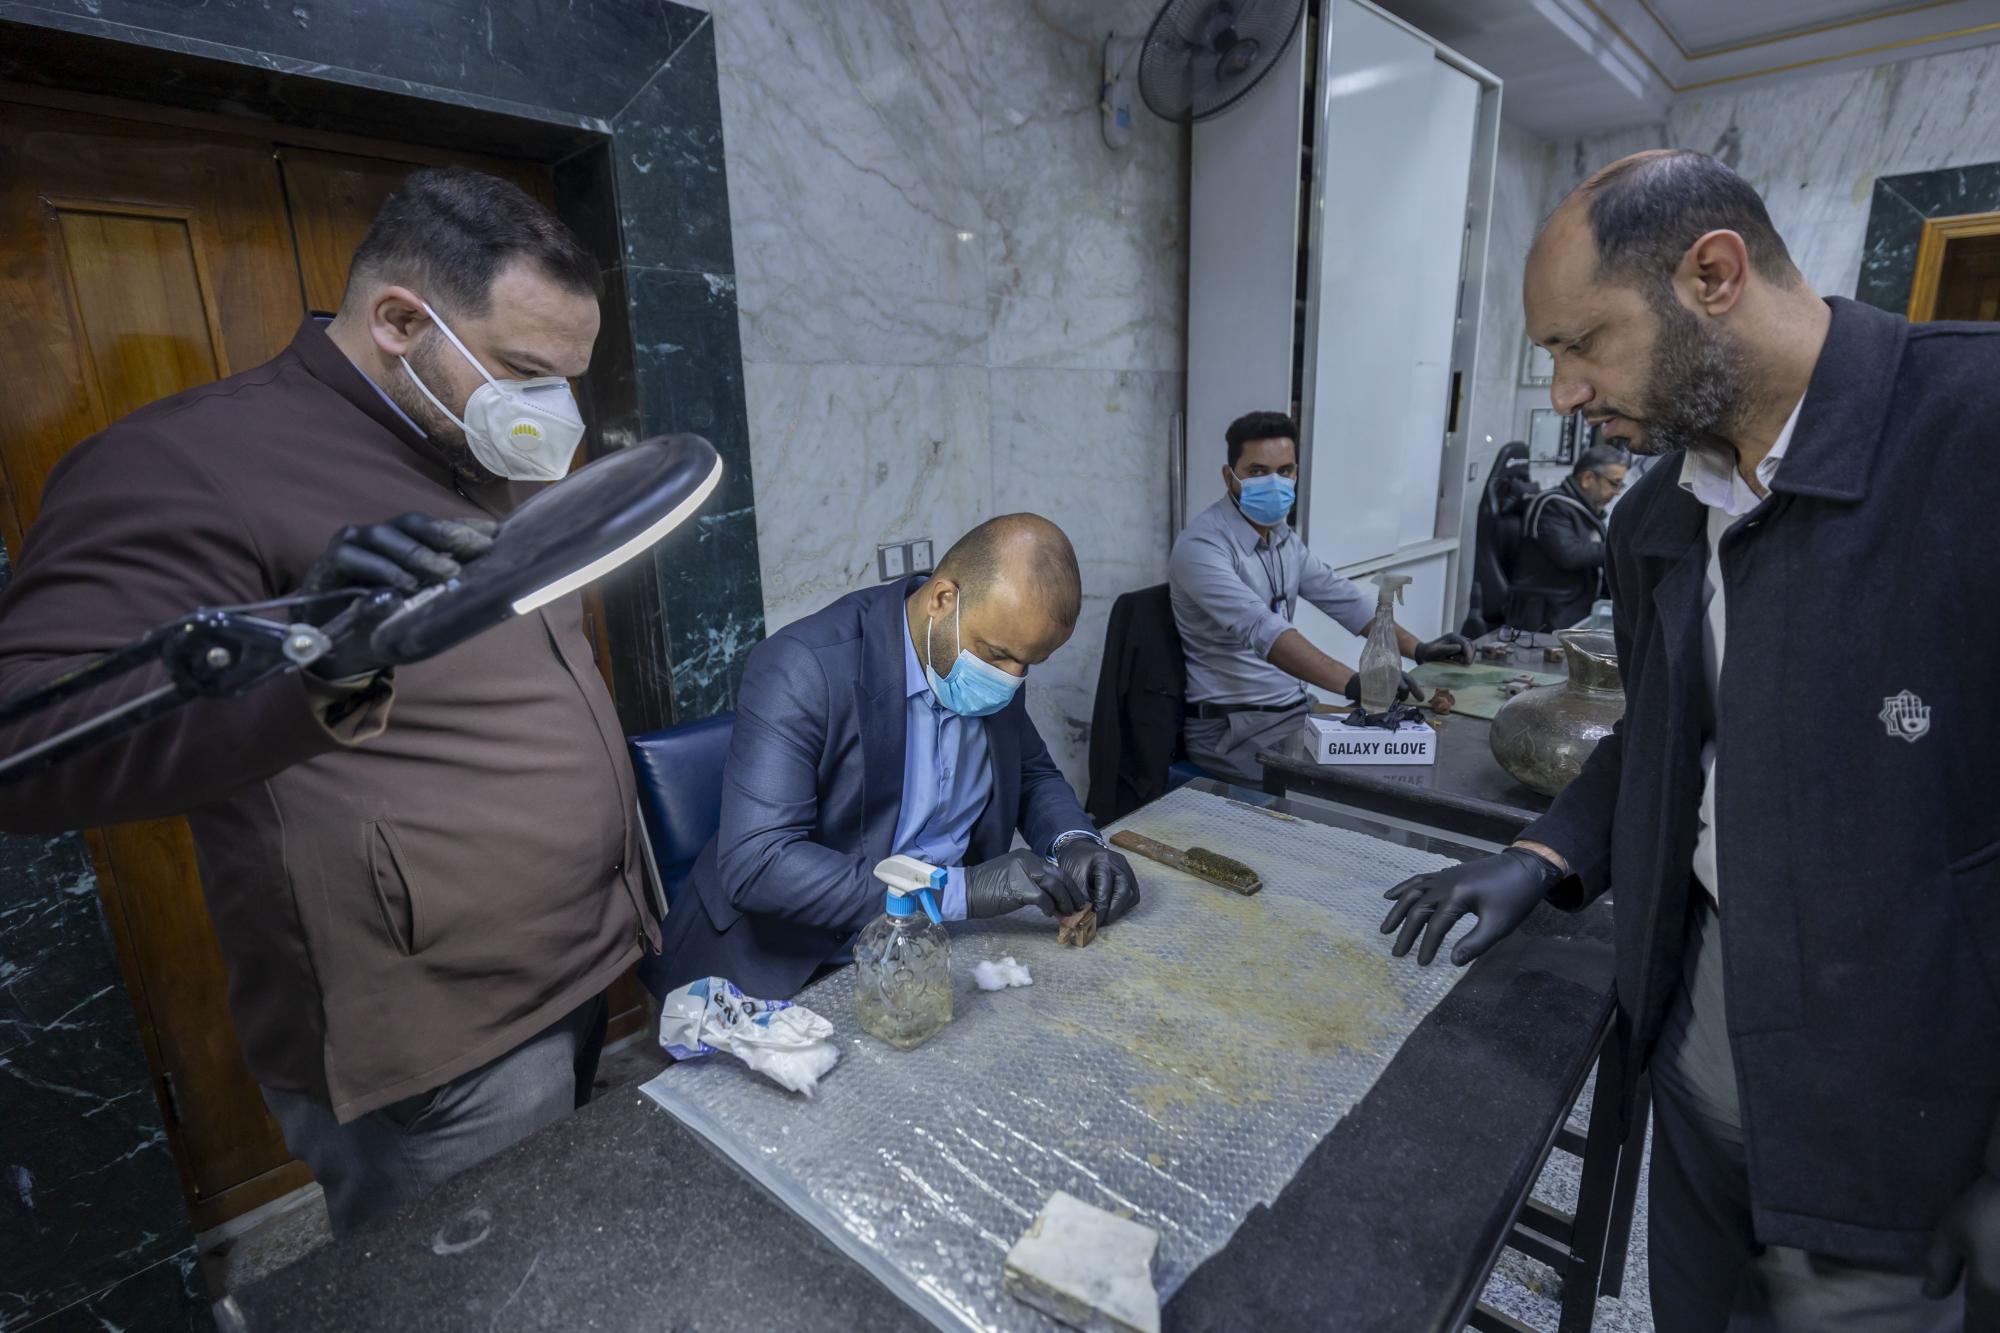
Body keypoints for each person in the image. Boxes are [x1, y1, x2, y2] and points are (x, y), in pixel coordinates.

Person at [1378, 149, 1996, 1330]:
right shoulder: (1659, 516)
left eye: (1580, 342)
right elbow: (1661, 734)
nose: (1564, 390)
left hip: (1903, 1122)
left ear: (1712, 274)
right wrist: (1544, 854)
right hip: (1698, 1047)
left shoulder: (1969, 431)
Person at [0, 168, 656, 1235]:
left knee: (556, 1249)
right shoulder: (187, 462)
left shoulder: (481, 446)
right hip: (435, 1030)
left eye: (565, 380)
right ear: (401, 321)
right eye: (524, 370)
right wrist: (308, 650)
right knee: (464, 1294)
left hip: (581, 958)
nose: (551, 413)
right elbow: (27, 742)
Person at [659, 514, 1141, 1000]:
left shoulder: (989, 657)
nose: (1010, 679)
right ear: (942, 599)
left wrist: (1073, 843)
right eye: (998, 655)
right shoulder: (803, 666)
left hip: (928, 947)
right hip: (794, 962)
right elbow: (758, 863)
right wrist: (959, 891)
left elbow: (1031, 775)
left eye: (1028, 664)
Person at [1168, 410, 1473, 786]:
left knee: (1417, 750)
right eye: (1257, 471)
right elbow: (1266, 632)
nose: (1274, 483)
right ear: (1229, 476)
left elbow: (1344, 599)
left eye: (1284, 471)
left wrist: (1420, 649)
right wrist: (1357, 683)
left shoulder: (1280, 536)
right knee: (1361, 789)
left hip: (1293, 709)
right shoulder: (1202, 547)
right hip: (1234, 730)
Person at [1509, 443, 1629, 630]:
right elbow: (1570, 554)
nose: (1617, 491)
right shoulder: (1551, 505)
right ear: (1588, 478)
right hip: (1546, 618)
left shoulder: (1588, 513)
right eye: (1614, 483)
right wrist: (1621, 547)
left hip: (1576, 611)